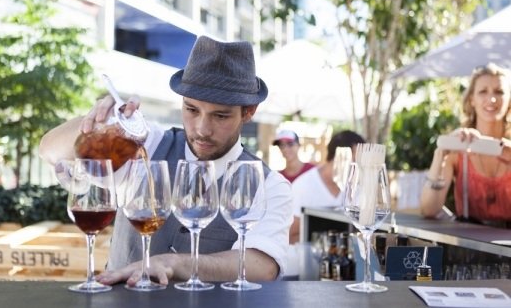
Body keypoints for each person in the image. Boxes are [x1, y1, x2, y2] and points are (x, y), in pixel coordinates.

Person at [39, 35, 292, 286]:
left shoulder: (270, 185)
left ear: (248, 112)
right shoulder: (148, 144)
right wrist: (96, 123)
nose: (202, 129)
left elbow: (262, 266)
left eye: (221, 116)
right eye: (192, 110)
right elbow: (51, 151)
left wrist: (174, 263)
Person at [420, 63, 511, 227]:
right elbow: (429, 210)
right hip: (469, 249)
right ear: (472, 100)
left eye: (499, 92)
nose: (491, 99)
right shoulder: (458, 148)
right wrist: (441, 154)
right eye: (483, 91)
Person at [288, 130, 366, 244]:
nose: (359, 166)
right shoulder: (303, 186)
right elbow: (289, 236)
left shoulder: (357, 189)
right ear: (340, 157)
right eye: (355, 160)